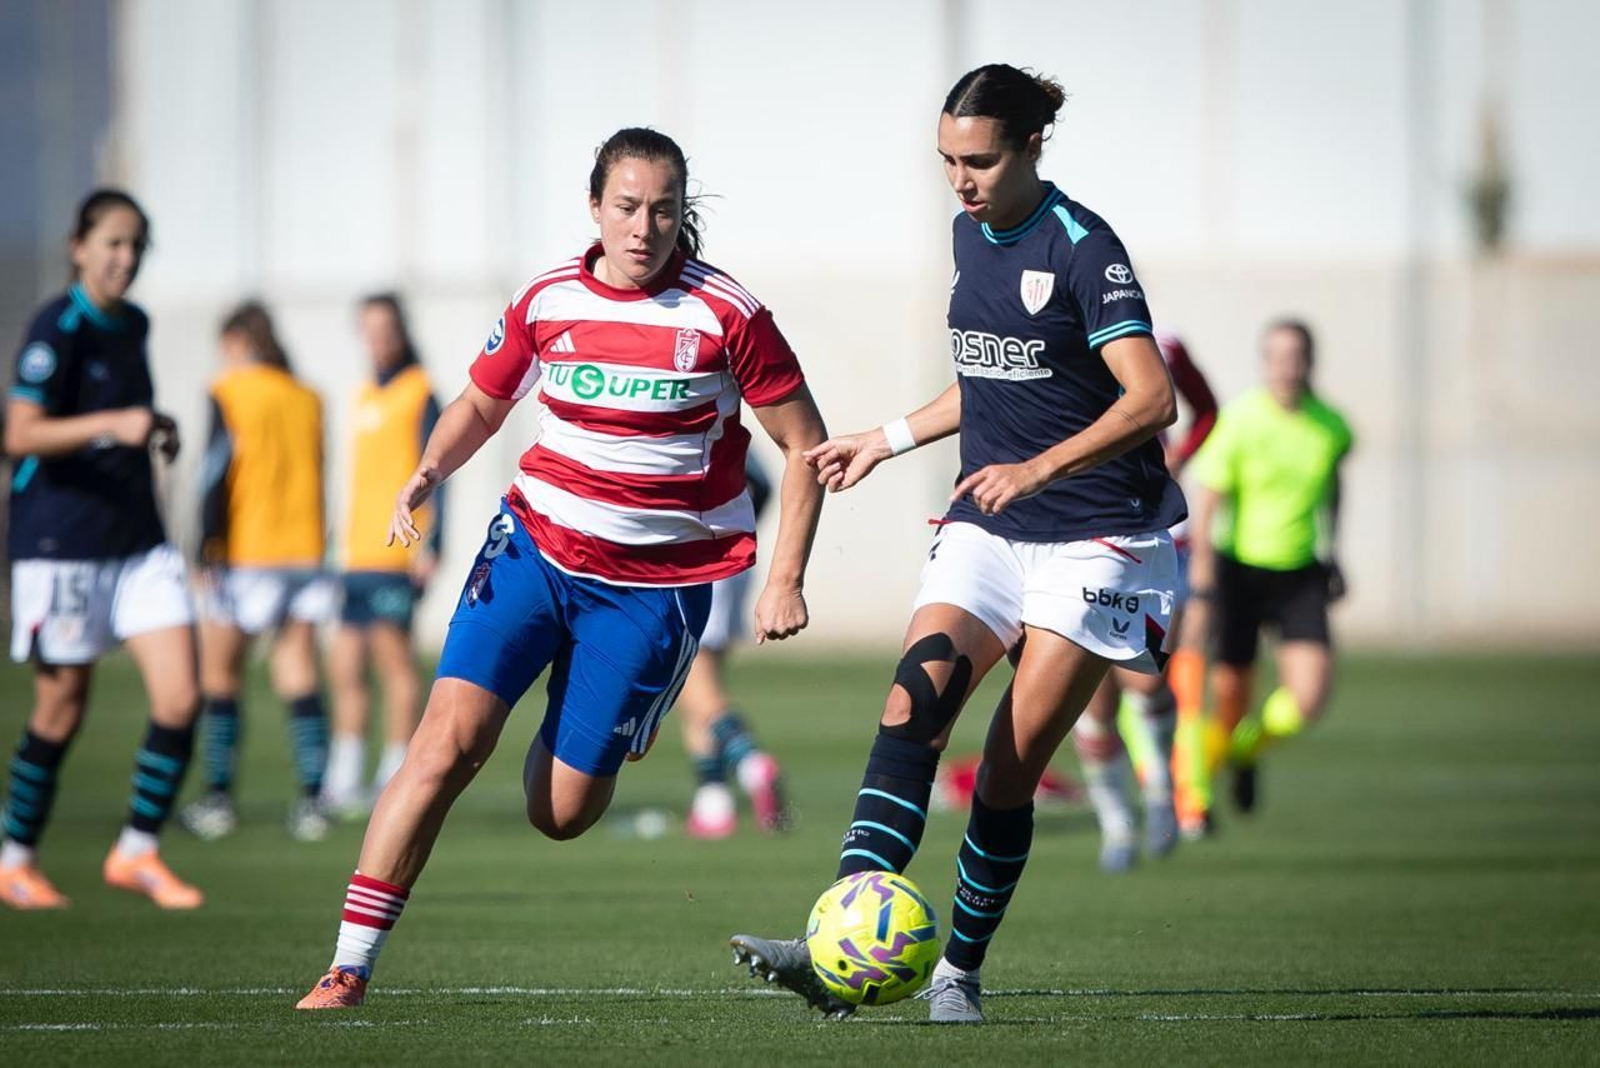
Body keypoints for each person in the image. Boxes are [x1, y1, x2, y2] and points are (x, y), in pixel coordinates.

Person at [295, 127, 827, 1010]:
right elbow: (478, 402)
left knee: (562, 814)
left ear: (680, 213)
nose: (644, 226)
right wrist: (429, 470)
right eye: (626, 206)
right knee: (445, 743)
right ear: (594, 207)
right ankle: (348, 965)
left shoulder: (728, 315)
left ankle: (596, 698)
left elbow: (806, 449)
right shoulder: (546, 299)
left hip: (656, 588)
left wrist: (784, 577)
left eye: (663, 209)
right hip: (534, 548)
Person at [730, 64, 1184, 1024]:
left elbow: (1154, 399)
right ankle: (833, 946)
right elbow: (990, 378)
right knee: (913, 704)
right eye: (946, 161)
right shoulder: (967, 234)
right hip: (991, 519)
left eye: (978, 160)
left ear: (1030, 148)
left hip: (1098, 538)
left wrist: (1041, 468)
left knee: (1010, 765)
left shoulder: (1083, 249)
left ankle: (958, 973)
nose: (960, 180)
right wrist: (885, 440)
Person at [0, 188, 204, 910]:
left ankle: (137, 851)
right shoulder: (58, 326)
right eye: (113, 242)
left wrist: (153, 426)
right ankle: (15, 858)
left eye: (136, 245)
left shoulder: (135, 323)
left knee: (182, 696)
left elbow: (122, 420)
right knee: (61, 710)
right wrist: (114, 423)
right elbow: (19, 435)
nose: (125, 258)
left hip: (137, 542)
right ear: (78, 247)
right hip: (60, 542)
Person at [178, 301, 334, 843]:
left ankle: (218, 800)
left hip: (247, 550)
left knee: (220, 674)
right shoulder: (308, 397)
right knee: (299, 674)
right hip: (305, 550)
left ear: (239, 341)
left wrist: (205, 545)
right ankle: (314, 802)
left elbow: (215, 469)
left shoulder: (229, 390)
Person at [1187, 319, 1352, 815]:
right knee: (1231, 696)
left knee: (1307, 699)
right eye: (1276, 356)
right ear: (1265, 363)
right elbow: (1209, 500)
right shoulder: (1239, 420)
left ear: (1309, 363)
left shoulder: (1331, 426)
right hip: (1239, 571)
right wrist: (1202, 576)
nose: (1285, 366)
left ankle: (1241, 751)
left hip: (1300, 572)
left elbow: (1334, 487)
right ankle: (1198, 789)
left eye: (1295, 356)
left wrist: (1334, 550)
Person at [1070, 330, 1217, 869]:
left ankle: (1160, 791)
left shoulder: (1164, 345)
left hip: (1147, 533)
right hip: (1073, 535)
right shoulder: (1053, 342)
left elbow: (1205, 410)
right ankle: (1116, 826)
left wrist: (1180, 455)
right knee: (1093, 701)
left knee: (1146, 676)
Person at [321, 293, 440, 816]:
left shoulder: (420, 392)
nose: (378, 338)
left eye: (385, 327)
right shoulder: (364, 394)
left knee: (395, 662)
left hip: (399, 550)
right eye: (368, 328)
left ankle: (397, 773)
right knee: (345, 664)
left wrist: (433, 544)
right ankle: (343, 773)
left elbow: (438, 472)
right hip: (356, 552)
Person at [680, 453, 787, 838]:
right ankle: (713, 803)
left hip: (692, 563)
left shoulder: (685, 421)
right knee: (703, 685)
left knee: (694, 687)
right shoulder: (723, 423)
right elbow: (765, 483)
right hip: (727, 562)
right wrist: (736, 531)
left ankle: (752, 764)